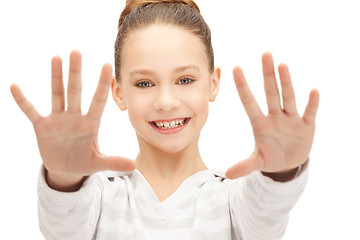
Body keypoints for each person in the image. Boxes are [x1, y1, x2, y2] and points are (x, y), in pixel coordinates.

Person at [10, 0, 320, 239]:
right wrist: (63, 179)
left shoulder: (233, 201)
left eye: (185, 80)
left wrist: (281, 173)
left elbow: (266, 213)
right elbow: (62, 229)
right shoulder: (99, 198)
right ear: (118, 92)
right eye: (144, 83)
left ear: (213, 83)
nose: (166, 102)